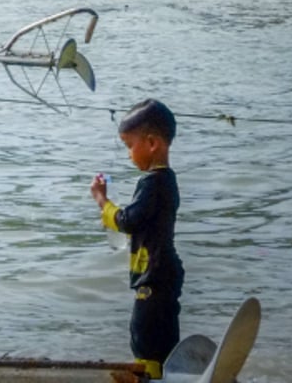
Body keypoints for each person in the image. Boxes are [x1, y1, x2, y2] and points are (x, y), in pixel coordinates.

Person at [89, 99, 185, 380]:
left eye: (130, 146)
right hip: (164, 273)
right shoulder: (167, 181)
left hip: (154, 277)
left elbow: (128, 220)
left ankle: (149, 377)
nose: (129, 154)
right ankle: (164, 375)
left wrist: (101, 200)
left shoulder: (153, 183)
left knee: (145, 337)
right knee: (162, 338)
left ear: (152, 143)